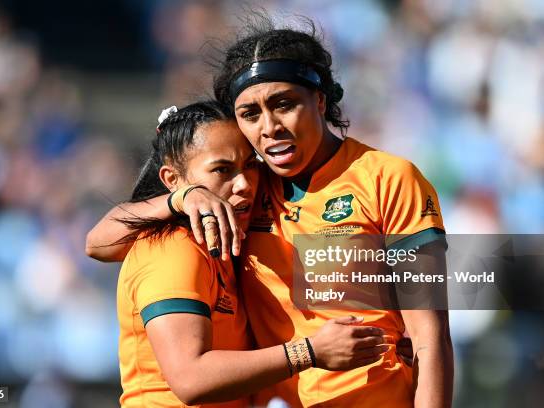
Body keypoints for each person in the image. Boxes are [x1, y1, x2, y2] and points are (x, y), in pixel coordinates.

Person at [87, 19, 452, 408]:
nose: (269, 127)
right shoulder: (247, 189)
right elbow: (98, 242)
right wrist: (180, 199)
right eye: (250, 113)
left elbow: (431, 340)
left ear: (320, 101)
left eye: (284, 104)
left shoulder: (388, 180)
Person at [112, 101, 391, 408]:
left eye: (250, 165)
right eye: (222, 170)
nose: (244, 184)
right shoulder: (172, 249)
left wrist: (398, 332)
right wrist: (309, 351)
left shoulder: (232, 245)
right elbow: (190, 380)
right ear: (173, 180)